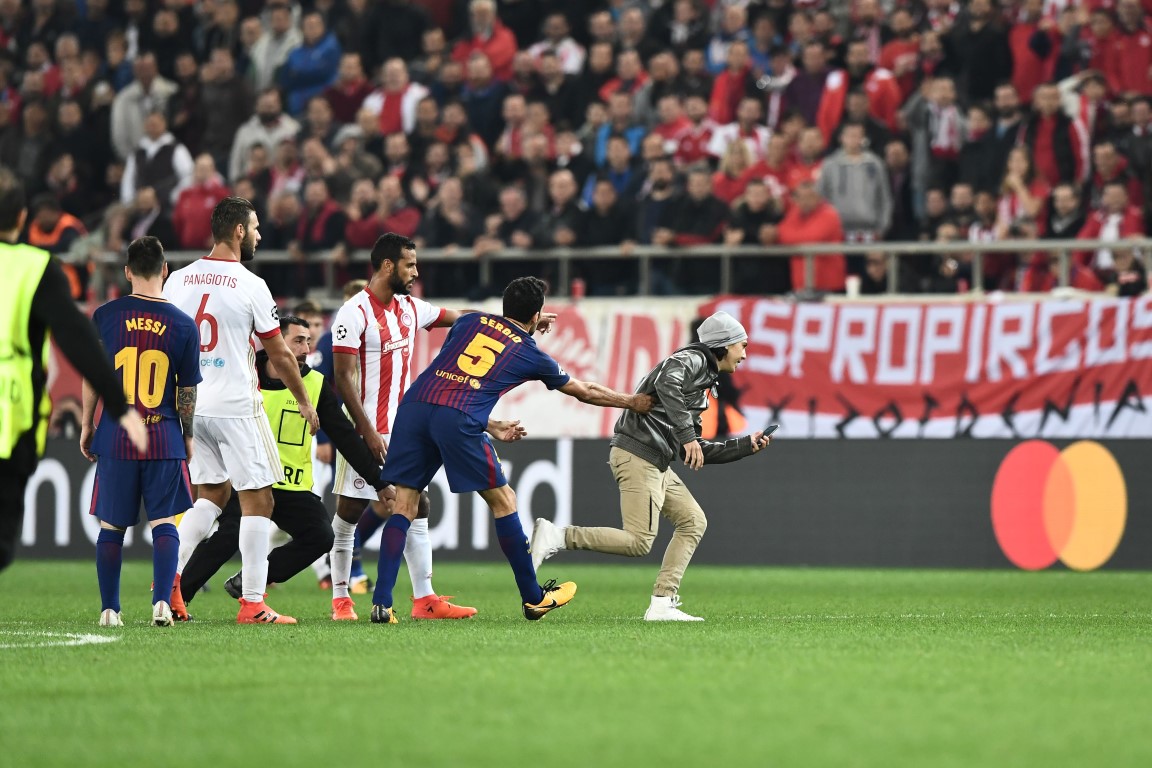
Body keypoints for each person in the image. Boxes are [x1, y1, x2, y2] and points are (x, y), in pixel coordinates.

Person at [370, 276, 653, 624]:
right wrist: (632, 402)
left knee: (404, 504)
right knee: (504, 501)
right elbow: (585, 391)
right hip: (457, 419)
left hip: (414, 408)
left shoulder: (469, 322)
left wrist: (489, 423)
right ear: (535, 316)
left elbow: (461, 369)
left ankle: (382, 603)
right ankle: (534, 598)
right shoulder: (529, 353)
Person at [177, 315, 481, 621]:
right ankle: (179, 596)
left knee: (321, 536)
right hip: (250, 480)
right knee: (229, 534)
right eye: (298, 341)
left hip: (291, 485)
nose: (305, 349)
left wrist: (379, 483)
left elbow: (345, 437)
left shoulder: (315, 384)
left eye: (308, 341)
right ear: (275, 343)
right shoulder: (244, 375)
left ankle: (250, 579)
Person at [328, 233, 536, 620]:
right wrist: (367, 431)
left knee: (416, 504)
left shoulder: (410, 308)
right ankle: (341, 599)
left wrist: (515, 324)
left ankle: (424, 598)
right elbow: (342, 377)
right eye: (409, 264)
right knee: (350, 512)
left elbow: (463, 317)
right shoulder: (353, 313)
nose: (415, 271)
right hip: (365, 427)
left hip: (405, 427)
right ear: (387, 265)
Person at [531, 311, 773, 622]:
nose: (745, 354)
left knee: (693, 521)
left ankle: (662, 602)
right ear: (725, 345)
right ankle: (557, 537)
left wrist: (744, 446)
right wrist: (687, 436)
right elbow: (667, 381)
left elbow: (694, 450)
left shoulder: (702, 378)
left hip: (655, 460)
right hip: (639, 455)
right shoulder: (693, 359)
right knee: (638, 541)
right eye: (742, 345)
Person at [163, 197, 319, 625]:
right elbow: (280, 354)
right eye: (255, 227)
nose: (259, 235)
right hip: (236, 405)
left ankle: (170, 582)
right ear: (238, 231)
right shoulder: (251, 285)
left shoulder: (178, 280)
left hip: (191, 405)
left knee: (211, 495)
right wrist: (304, 400)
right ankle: (252, 602)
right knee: (259, 500)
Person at [0, 170, 148, 575]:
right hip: (10, 422)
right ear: (23, 218)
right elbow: (77, 338)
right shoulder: (35, 268)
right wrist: (118, 406)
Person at [79, 236, 200, 627]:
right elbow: (186, 390)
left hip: (116, 434)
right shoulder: (183, 324)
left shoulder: (106, 315)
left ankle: (109, 609)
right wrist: (187, 435)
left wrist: (87, 422)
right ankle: (162, 602)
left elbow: (93, 373)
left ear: (127, 271)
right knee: (164, 523)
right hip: (163, 435)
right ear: (165, 269)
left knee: (111, 527)